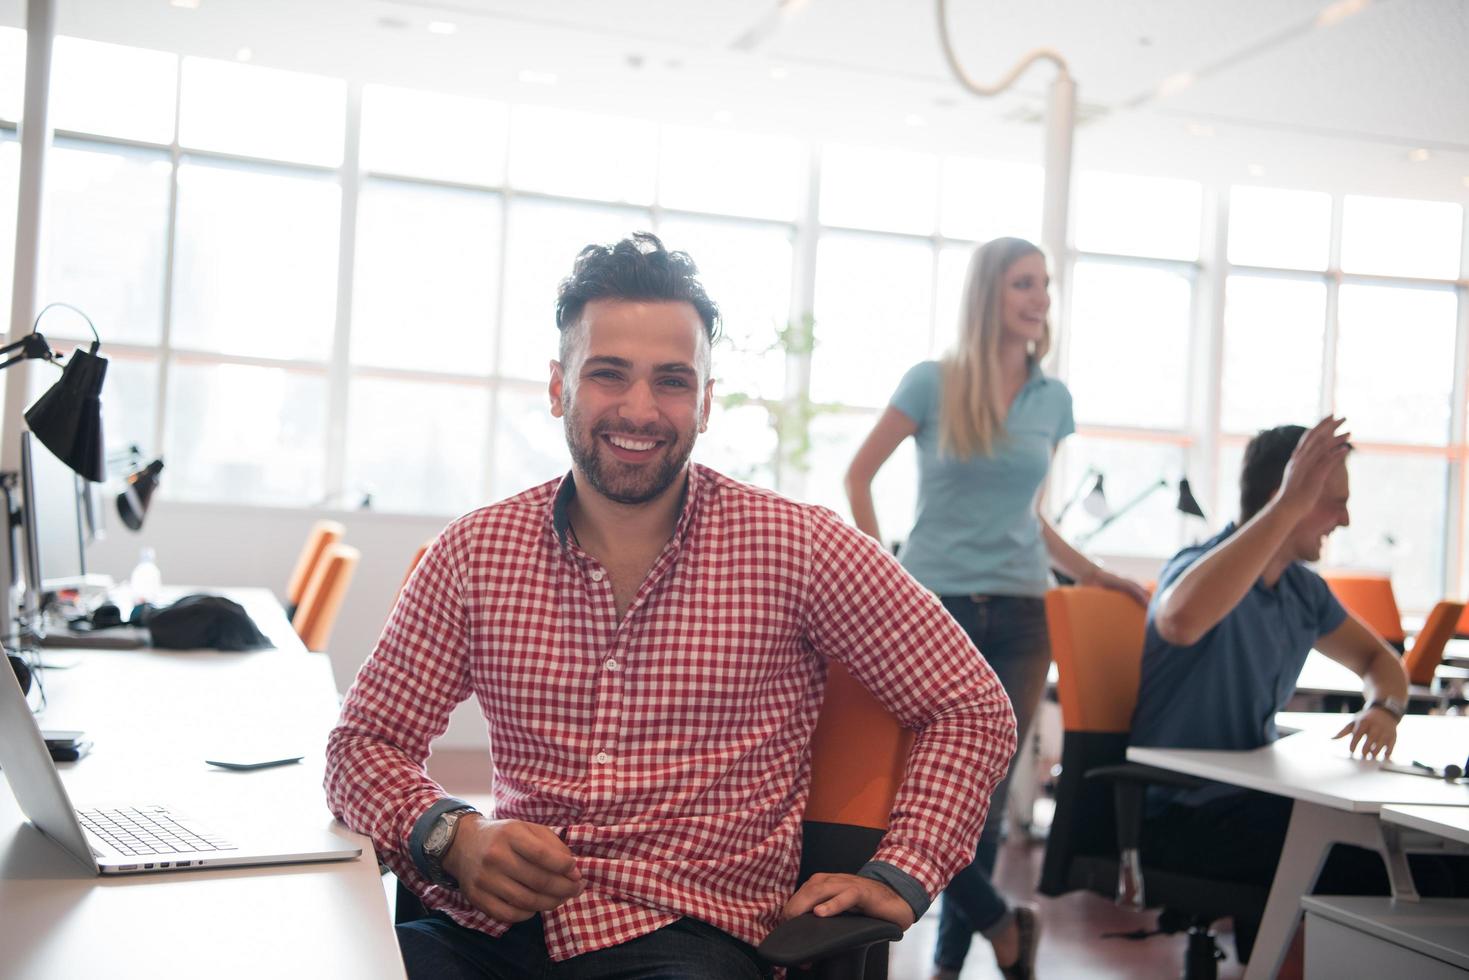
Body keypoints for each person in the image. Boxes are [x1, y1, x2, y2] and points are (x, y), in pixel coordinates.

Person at [324, 232, 1018, 980]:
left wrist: (900, 872)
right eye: (608, 374)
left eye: (672, 381)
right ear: (559, 387)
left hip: (687, 939)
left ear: (705, 403)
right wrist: (450, 838)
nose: (639, 408)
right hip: (494, 930)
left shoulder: (799, 547)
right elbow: (361, 743)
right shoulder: (475, 552)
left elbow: (971, 708)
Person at [845, 236, 1148, 980]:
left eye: (1044, 283)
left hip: (1021, 611)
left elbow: (1031, 520)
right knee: (910, 794)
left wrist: (1097, 575)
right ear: (989, 293)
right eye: (1022, 283)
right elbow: (858, 477)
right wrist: (883, 569)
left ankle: (950, 965)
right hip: (932, 605)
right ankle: (998, 924)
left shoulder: (1053, 399)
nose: (1039, 297)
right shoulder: (931, 382)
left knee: (977, 797)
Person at [1131, 416, 1411, 963]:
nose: (1345, 518)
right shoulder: (1198, 567)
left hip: (1250, 803)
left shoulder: (1303, 592)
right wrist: (1285, 506)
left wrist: (1384, 708)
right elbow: (1181, 621)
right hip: (1183, 816)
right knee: (1371, 864)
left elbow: (1382, 660)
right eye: (1332, 500)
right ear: (1285, 494)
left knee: (1424, 861)